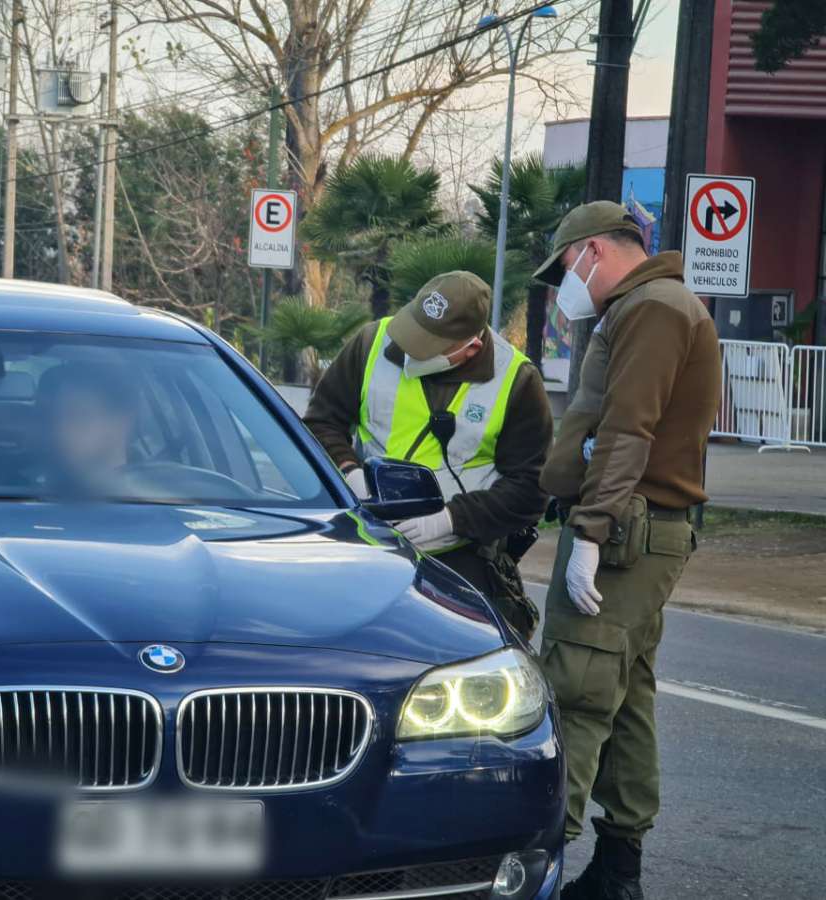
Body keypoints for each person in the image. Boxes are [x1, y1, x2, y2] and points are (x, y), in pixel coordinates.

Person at [532, 201, 721, 900]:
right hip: (637, 528)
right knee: (627, 695)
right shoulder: (653, 306)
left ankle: (538, 872)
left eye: (563, 269)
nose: (562, 285)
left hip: (622, 534)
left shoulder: (653, 309)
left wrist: (588, 532)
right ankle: (618, 873)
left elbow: (628, 429)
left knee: (577, 693)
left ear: (595, 252)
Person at [304, 270, 552, 638]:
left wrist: (448, 520)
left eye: (428, 345)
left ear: (471, 347)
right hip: (369, 541)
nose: (410, 351)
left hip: (459, 557)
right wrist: (349, 471)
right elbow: (320, 423)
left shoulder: (517, 380)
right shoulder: (371, 343)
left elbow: (530, 488)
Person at [36, 363, 139, 495]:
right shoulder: (28, 484)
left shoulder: (160, 487)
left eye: (78, 416)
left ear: (123, 421)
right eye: (52, 418)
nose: (60, 431)